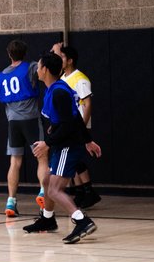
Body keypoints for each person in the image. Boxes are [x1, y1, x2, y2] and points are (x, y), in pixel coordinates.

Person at [23, 52, 102, 244]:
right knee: (48, 182)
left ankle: (82, 221)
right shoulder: (54, 89)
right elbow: (73, 118)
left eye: (39, 66)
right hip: (65, 143)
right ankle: (48, 219)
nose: (37, 70)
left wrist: (47, 143)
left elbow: (70, 124)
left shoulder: (59, 92)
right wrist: (88, 140)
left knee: (54, 189)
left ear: (45, 70)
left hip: (67, 146)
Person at [0, 39, 48, 217]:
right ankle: (43, 192)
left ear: (9, 54)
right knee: (42, 159)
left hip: (13, 122)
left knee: (15, 162)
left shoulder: (1, 75)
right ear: (24, 53)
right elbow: (43, 73)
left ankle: (11, 201)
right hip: (31, 119)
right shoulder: (31, 67)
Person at [53, 42, 101, 209]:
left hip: (77, 124)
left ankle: (89, 191)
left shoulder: (80, 79)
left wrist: (82, 126)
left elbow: (87, 104)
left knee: (77, 159)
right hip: (68, 124)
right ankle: (80, 191)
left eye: (63, 57)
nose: (61, 59)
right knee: (73, 160)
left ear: (70, 60)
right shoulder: (63, 78)